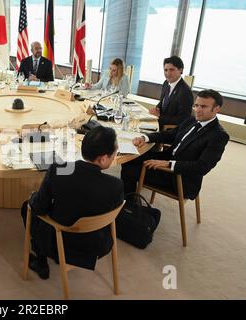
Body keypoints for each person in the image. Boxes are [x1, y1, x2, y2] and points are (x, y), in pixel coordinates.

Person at [21, 126, 124, 279]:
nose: (115, 155)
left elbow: (39, 207)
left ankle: (41, 261)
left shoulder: (58, 170)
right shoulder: (116, 185)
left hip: (58, 244)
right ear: (103, 159)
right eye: (115, 153)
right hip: (99, 244)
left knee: (27, 206)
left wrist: (34, 197)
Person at [121, 89, 229, 200]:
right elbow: (170, 135)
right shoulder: (192, 120)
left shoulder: (218, 135)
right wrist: (145, 137)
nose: (198, 110)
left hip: (179, 178)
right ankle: (129, 199)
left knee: (129, 170)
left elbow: (202, 167)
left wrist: (168, 164)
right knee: (129, 158)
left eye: (203, 106)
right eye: (196, 105)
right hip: (168, 158)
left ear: (216, 109)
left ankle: (129, 205)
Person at [149, 56, 194, 130]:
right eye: (165, 70)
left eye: (172, 70)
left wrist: (159, 116)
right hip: (159, 123)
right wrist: (155, 110)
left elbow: (183, 119)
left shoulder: (185, 92)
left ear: (180, 70)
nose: (168, 73)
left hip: (170, 130)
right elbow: (162, 102)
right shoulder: (166, 83)